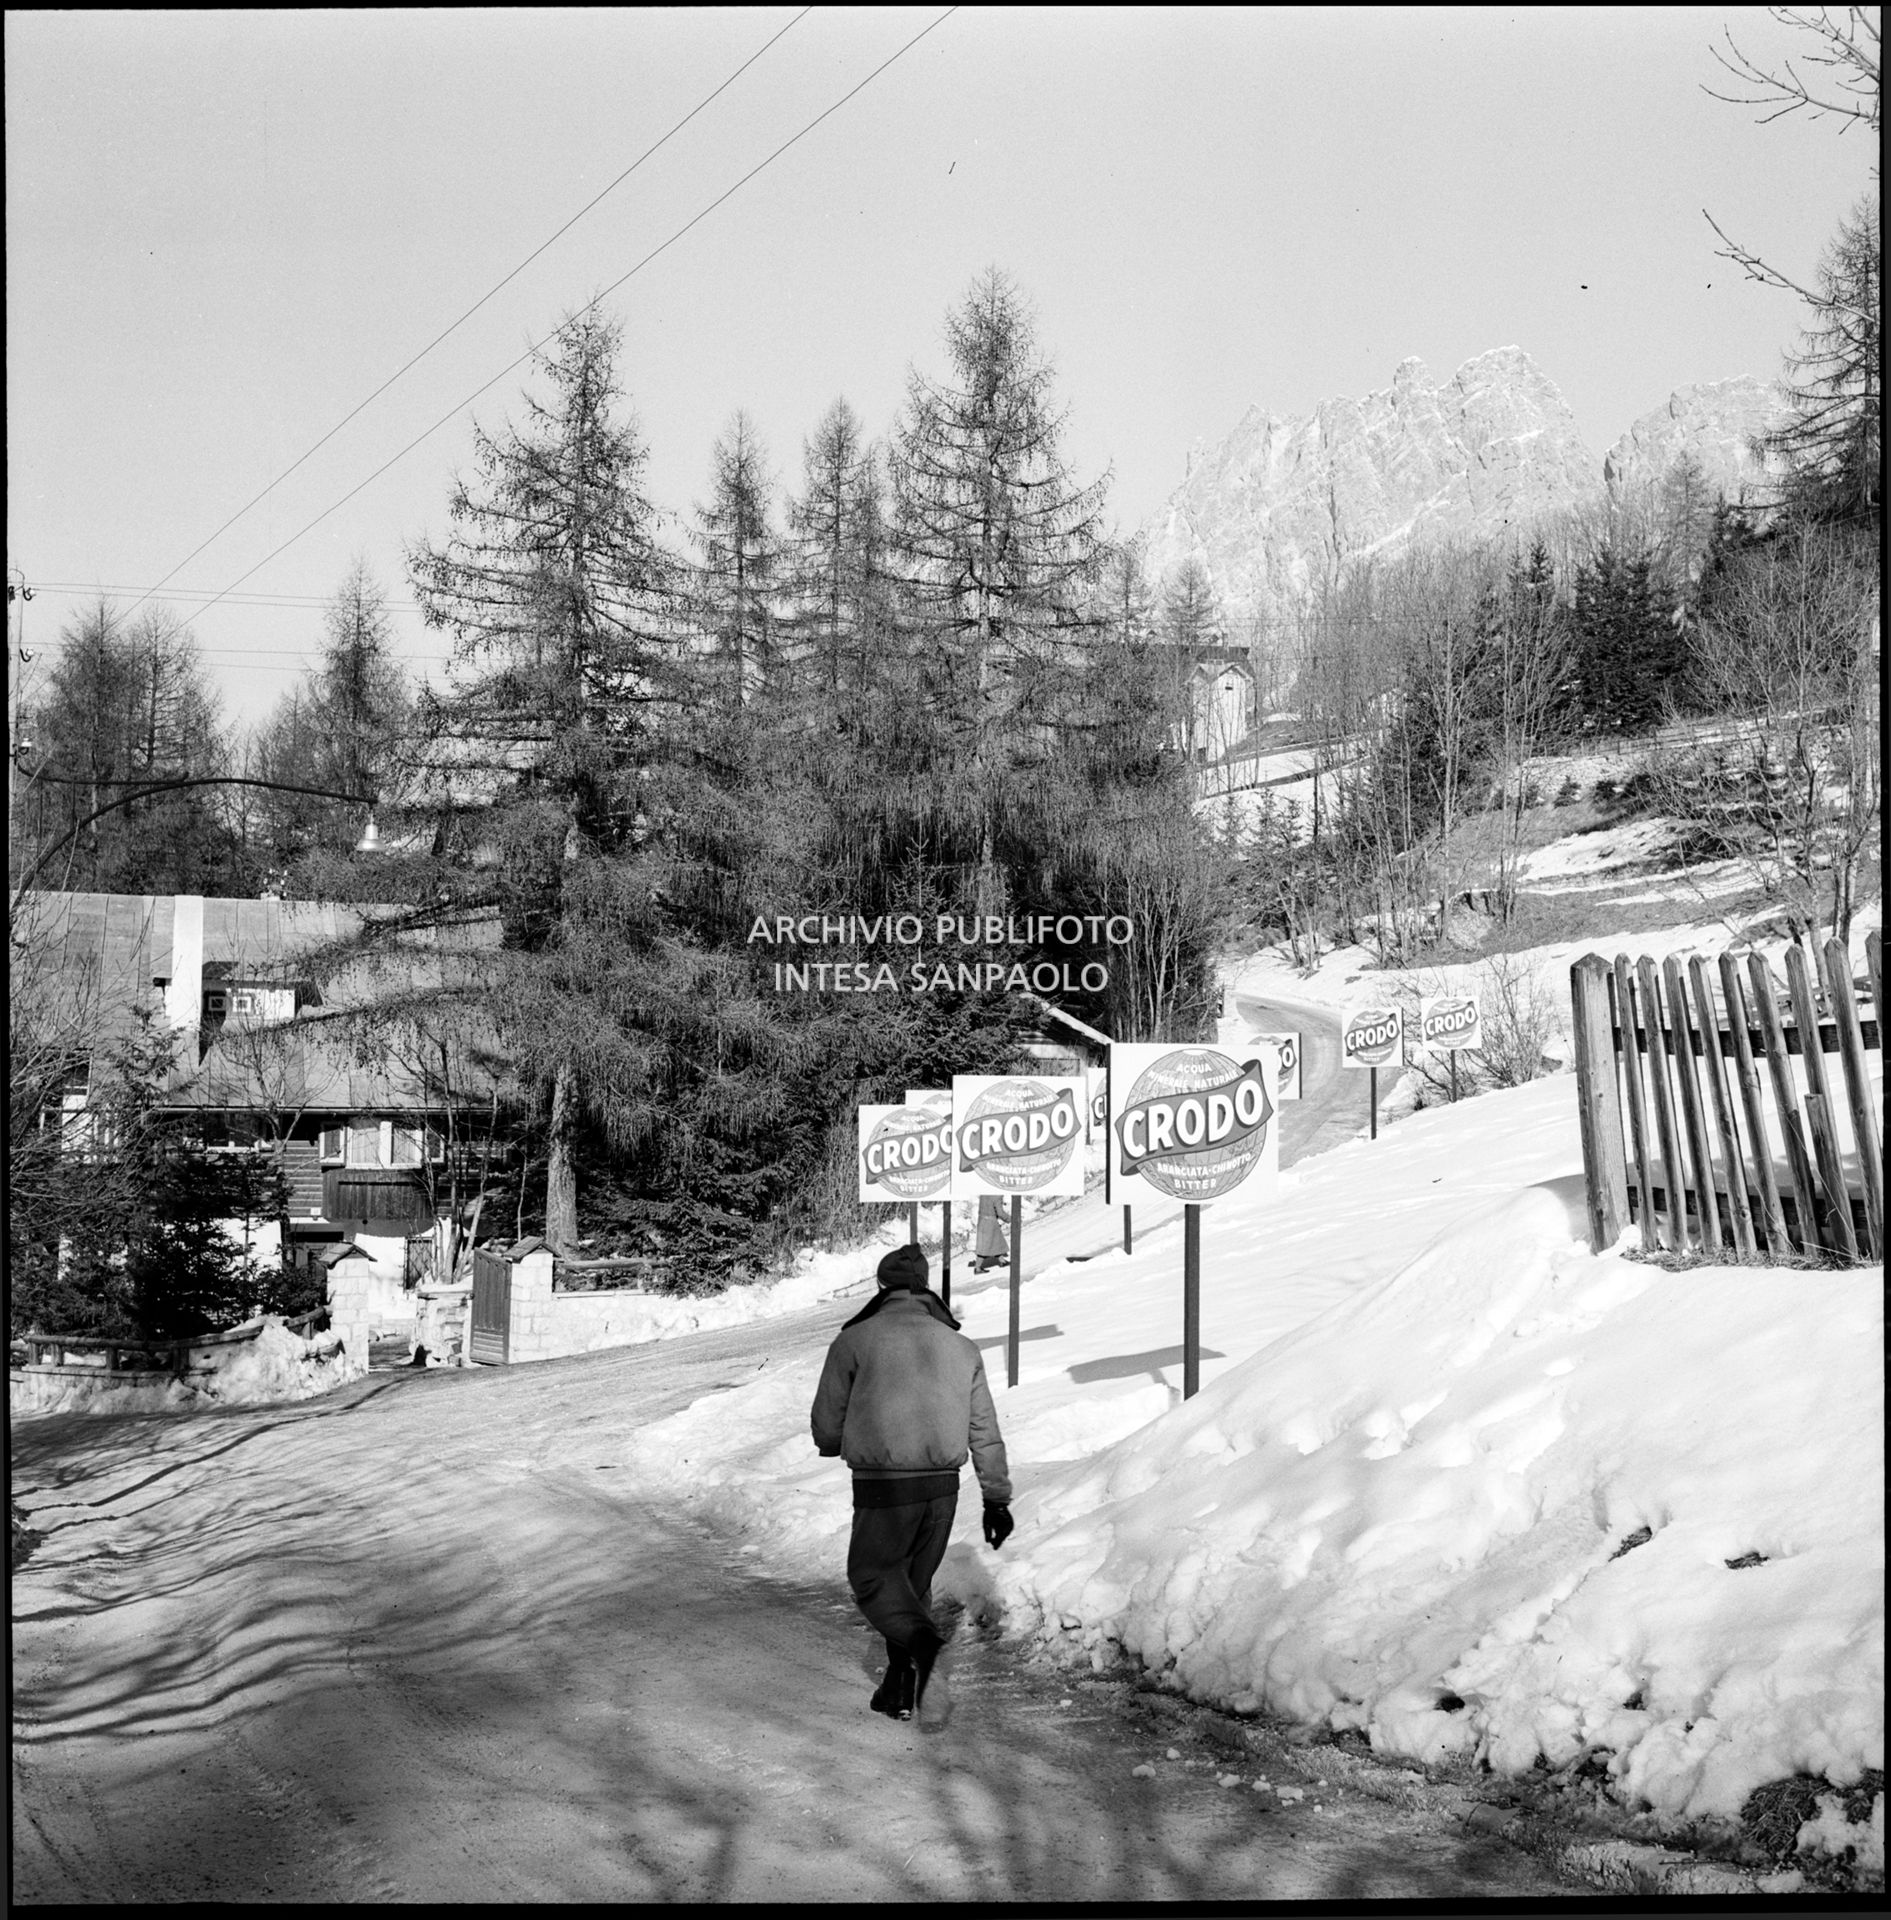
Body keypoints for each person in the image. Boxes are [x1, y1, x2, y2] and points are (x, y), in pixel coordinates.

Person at [810, 1243, 1014, 1728]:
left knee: (873, 1577)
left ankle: (925, 1649)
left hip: (883, 1484)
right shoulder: (961, 1347)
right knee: (911, 1585)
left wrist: (835, 1443)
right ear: (923, 1287)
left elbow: (826, 1420)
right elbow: (984, 1429)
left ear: (882, 1285)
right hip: (943, 1487)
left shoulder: (855, 1340)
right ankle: (900, 1685)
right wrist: (996, 1499)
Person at [973, 1195, 1009, 1273]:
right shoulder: (997, 1196)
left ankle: (1002, 1261)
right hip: (990, 1223)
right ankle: (977, 1268)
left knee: (996, 1242)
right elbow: (1000, 1213)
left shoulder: (984, 1194)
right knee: (985, 1247)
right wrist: (1010, 1219)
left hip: (982, 1220)